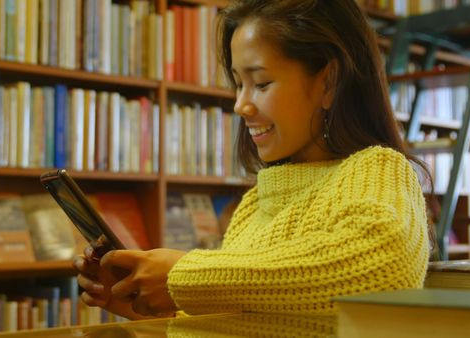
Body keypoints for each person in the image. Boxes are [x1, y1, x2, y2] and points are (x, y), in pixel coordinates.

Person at [73, 0, 432, 319]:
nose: (240, 105)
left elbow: (384, 267)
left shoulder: (377, 168)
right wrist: (141, 304)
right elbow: (248, 316)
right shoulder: (254, 203)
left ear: (329, 83)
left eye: (260, 83)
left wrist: (182, 276)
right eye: (237, 84)